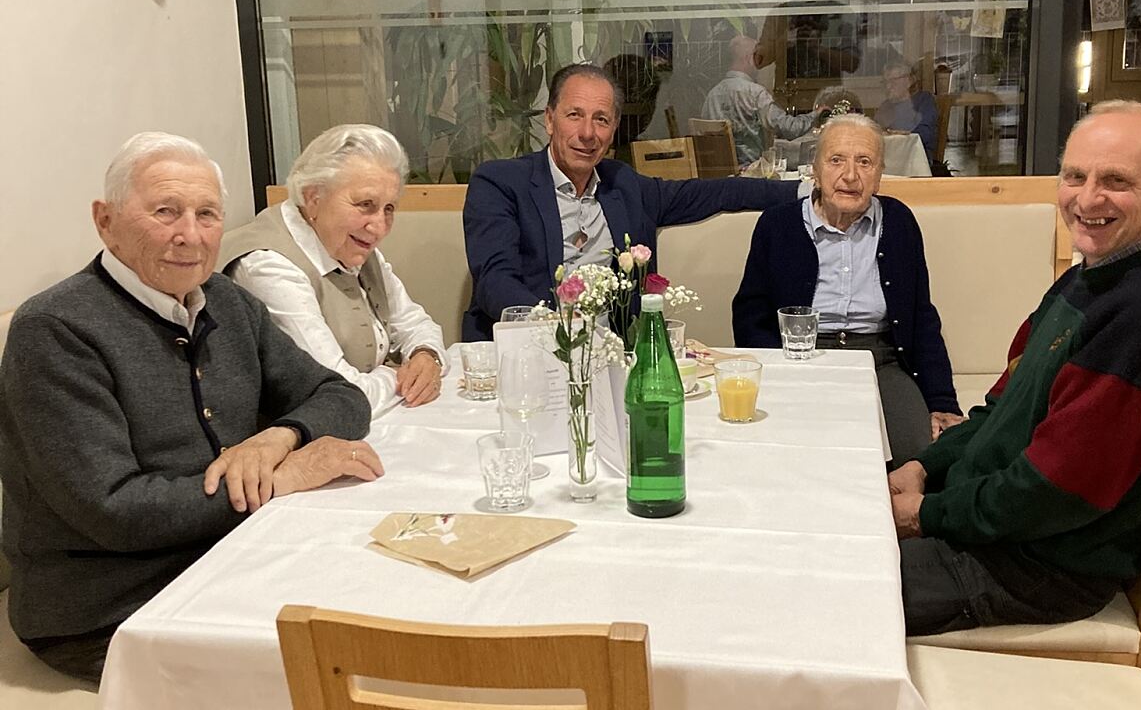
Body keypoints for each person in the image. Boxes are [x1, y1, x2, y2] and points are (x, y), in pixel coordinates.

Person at [0, 132, 380, 684]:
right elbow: (116, 511)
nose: (191, 236)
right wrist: (280, 480)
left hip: (232, 559)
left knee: (390, 600)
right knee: (344, 669)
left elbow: (340, 395)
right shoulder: (56, 331)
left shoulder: (226, 302)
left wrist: (277, 439)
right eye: (165, 212)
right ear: (105, 220)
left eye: (207, 215)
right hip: (110, 611)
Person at [891, 102, 1141, 636]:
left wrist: (925, 514)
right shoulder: (1092, 277)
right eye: (1075, 175)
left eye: (1116, 180)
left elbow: (1051, 494)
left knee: (808, 588)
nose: (1087, 198)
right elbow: (1000, 409)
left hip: (1031, 569)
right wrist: (925, 465)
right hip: (986, 523)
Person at [462, 62, 802, 341]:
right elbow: (495, 282)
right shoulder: (500, 183)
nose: (587, 133)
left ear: (614, 129)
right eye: (574, 115)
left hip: (613, 359)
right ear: (550, 120)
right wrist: (561, 328)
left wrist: (807, 191)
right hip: (527, 350)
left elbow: (715, 193)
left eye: (601, 119)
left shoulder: (622, 185)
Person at [732, 114, 961, 464]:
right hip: (799, 359)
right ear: (816, 168)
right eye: (836, 160)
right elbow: (750, 315)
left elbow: (921, 318)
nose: (850, 175)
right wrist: (775, 372)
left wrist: (942, 400)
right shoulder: (777, 225)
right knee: (790, 454)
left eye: (864, 162)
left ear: (880, 174)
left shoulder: (899, 223)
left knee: (916, 457)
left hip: (880, 360)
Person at [220, 124, 447, 416]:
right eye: (365, 204)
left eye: (389, 208)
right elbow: (337, 391)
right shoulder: (268, 266)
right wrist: (399, 376)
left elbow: (415, 322)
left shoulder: (353, 245)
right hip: (291, 443)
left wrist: (426, 356)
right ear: (313, 198)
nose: (379, 227)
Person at [700, 35, 817, 166]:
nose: (761, 65)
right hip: (752, 176)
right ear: (749, 59)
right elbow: (788, 129)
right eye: (759, 58)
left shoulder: (712, 95)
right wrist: (817, 115)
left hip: (719, 177)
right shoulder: (755, 93)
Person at [874, 60, 939, 163]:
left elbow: (926, 134)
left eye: (893, 81)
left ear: (909, 81)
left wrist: (905, 136)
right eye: (885, 82)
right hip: (887, 158)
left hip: (914, 160)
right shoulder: (885, 106)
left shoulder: (923, 101)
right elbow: (874, 130)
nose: (888, 86)